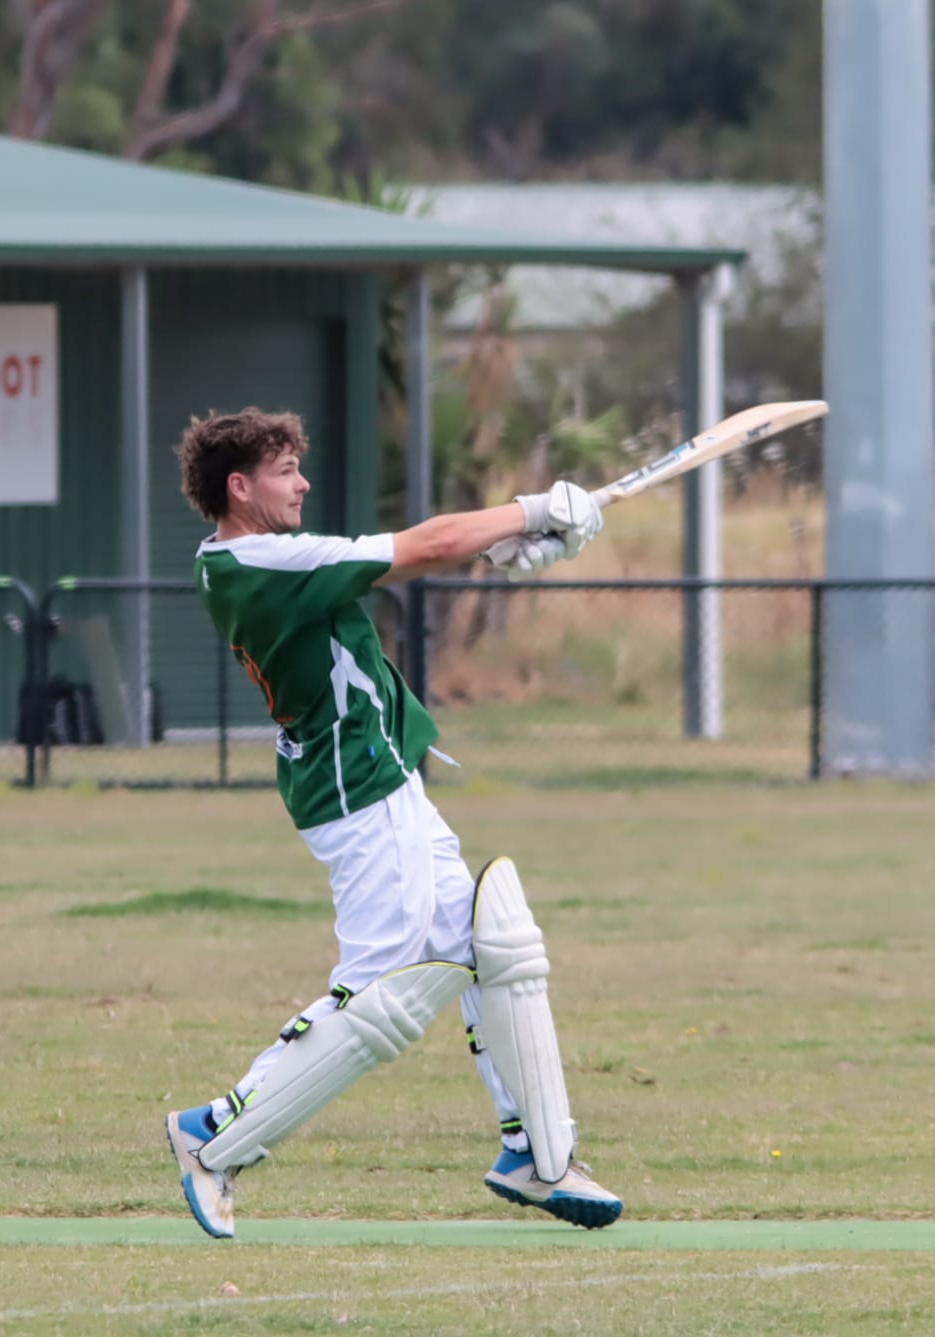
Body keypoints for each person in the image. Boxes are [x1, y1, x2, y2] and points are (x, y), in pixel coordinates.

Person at [161, 408, 621, 1240]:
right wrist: (531, 509)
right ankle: (216, 1138)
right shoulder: (259, 561)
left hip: (380, 783)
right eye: (286, 469)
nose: (302, 482)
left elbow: (438, 550)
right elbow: (426, 545)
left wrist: (508, 543)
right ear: (240, 486)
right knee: (383, 997)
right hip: (357, 797)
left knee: (496, 944)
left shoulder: (252, 559)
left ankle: (536, 1153)